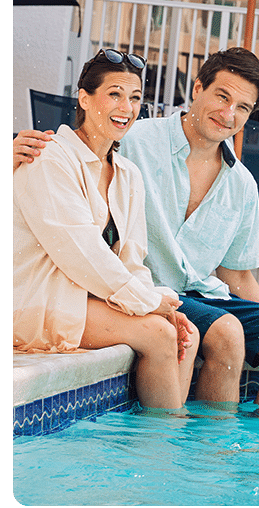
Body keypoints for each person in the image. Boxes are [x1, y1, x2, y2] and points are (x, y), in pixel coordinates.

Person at [14, 47, 259, 409]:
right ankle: (191, 442)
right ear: (197, 89)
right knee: (220, 332)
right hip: (126, 291)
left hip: (181, 293)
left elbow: (236, 275)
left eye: (242, 108)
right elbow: (75, 239)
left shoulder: (232, 183)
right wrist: (152, 303)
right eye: (222, 96)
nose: (229, 114)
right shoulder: (131, 141)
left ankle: (256, 450)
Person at [13, 49, 198, 411]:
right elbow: (80, 252)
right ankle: (163, 446)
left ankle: (164, 439)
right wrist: (148, 304)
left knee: (183, 331)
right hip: (39, 300)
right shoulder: (48, 157)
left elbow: (132, 258)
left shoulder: (128, 173)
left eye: (134, 98)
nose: (126, 108)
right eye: (114, 94)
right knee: (160, 334)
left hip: (89, 298)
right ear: (84, 97)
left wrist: (156, 303)